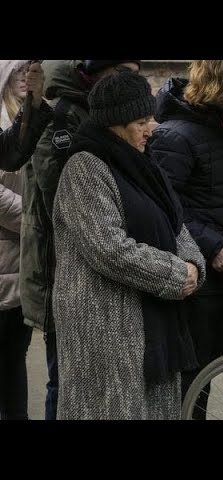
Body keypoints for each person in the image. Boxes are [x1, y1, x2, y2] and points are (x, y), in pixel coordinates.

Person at [52, 71, 206, 420]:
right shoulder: (85, 168)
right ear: (114, 125)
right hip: (106, 329)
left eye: (151, 118)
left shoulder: (143, 165)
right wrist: (174, 273)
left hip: (151, 324)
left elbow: (174, 224)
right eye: (141, 121)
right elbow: (109, 248)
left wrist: (193, 265)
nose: (151, 129)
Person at [21, 59, 141, 420]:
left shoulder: (97, 111)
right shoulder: (61, 116)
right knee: (65, 381)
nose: (128, 83)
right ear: (94, 70)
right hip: (63, 273)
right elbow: (64, 200)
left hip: (95, 266)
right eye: (122, 73)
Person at [149, 60, 223, 418]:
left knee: (210, 365)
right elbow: (167, 207)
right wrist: (212, 246)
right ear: (215, 79)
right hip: (199, 272)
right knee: (192, 370)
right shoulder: (174, 135)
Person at [0, 60, 49, 420]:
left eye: (27, 69)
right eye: (15, 69)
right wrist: (32, 220)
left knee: (14, 360)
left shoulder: (26, 119)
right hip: (5, 255)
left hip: (23, 262)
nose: (22, 77)